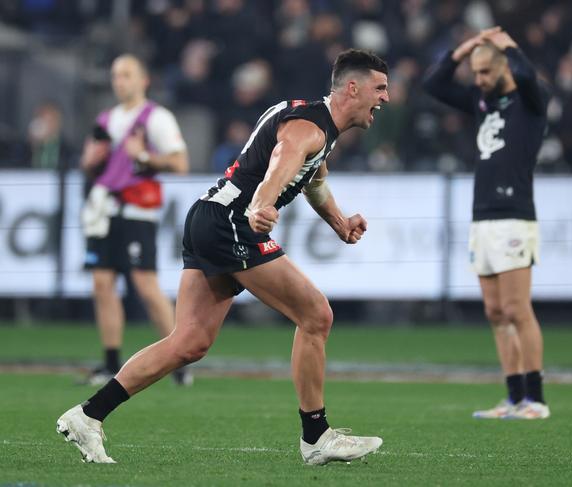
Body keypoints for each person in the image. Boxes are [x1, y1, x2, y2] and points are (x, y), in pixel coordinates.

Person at [57, 48, 390, 465]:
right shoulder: (310, 128)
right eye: (380, 88)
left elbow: (312, 176)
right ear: (353, 88)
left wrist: (339, 222)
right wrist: (261, 204)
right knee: (316, 315)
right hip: (232, 221)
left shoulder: (314, 122)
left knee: (189, 342)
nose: (386, 98)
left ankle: (88, 415)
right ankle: (316, 436)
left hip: (208, 216)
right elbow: (281, 162)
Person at [423, 28, 550, 419]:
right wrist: (462, 49)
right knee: (495, 312)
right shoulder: (483, 101)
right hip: (483, 217)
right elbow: (434, 84)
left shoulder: (529, 101)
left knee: (517, 308)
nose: (476, 81)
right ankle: (512, 397)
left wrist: (511, 46)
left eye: (483, 72)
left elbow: (528, 78)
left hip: (514, 216)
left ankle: (536, 399)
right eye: (474, 73)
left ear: (503, 67)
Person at [79, 54, 191, 386]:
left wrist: (141, 155)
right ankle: (110, 362)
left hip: (136, 210)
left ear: (143, 80)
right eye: (115, 75)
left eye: (126, 75)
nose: (119, 81)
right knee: (102, 283)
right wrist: (89, 162)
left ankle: (179, 358)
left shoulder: (156, 118)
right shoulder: (105, 119)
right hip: (104, 209)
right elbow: (92, 166)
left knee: (145, 284)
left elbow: (180, 163)